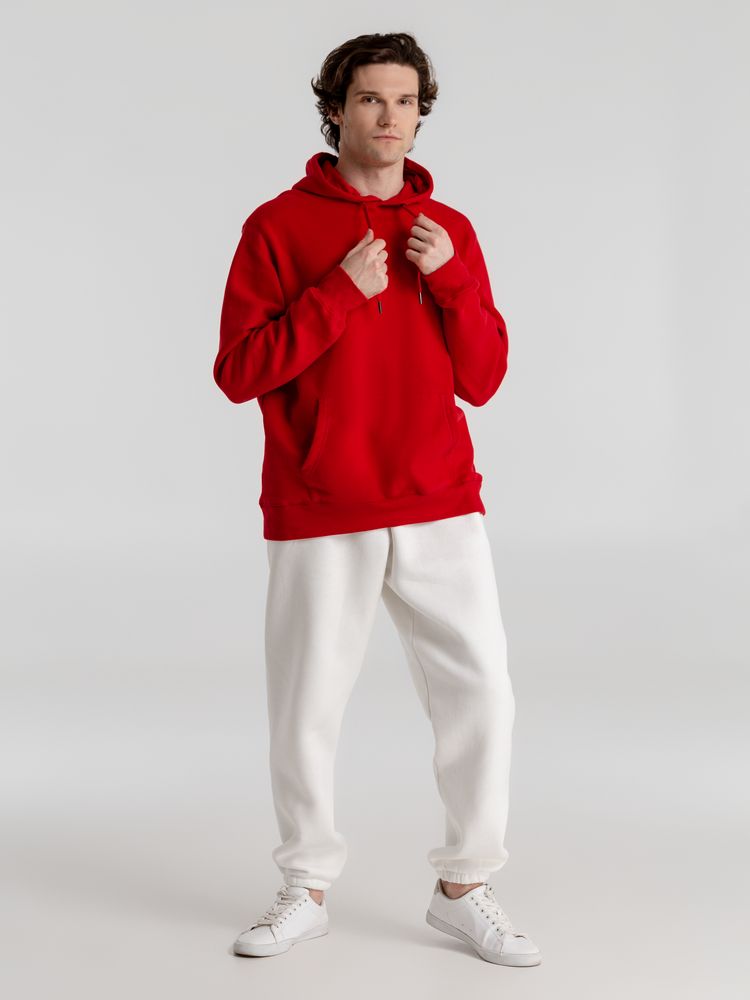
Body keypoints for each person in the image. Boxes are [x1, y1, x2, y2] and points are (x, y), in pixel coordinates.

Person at [213, 31, 541, 967]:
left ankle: (465, 887)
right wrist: (338, 294)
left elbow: (485, 377)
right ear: (335, 110)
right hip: (322, 500)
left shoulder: (449, 230)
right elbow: (239, 371)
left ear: (420, 113)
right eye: (369, 99)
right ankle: (305, 886)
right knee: (307, 704)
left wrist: (452, 278)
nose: (389, 117)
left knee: (484, 692)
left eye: (404, 101)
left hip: (439, 497)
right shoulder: (277, 227)